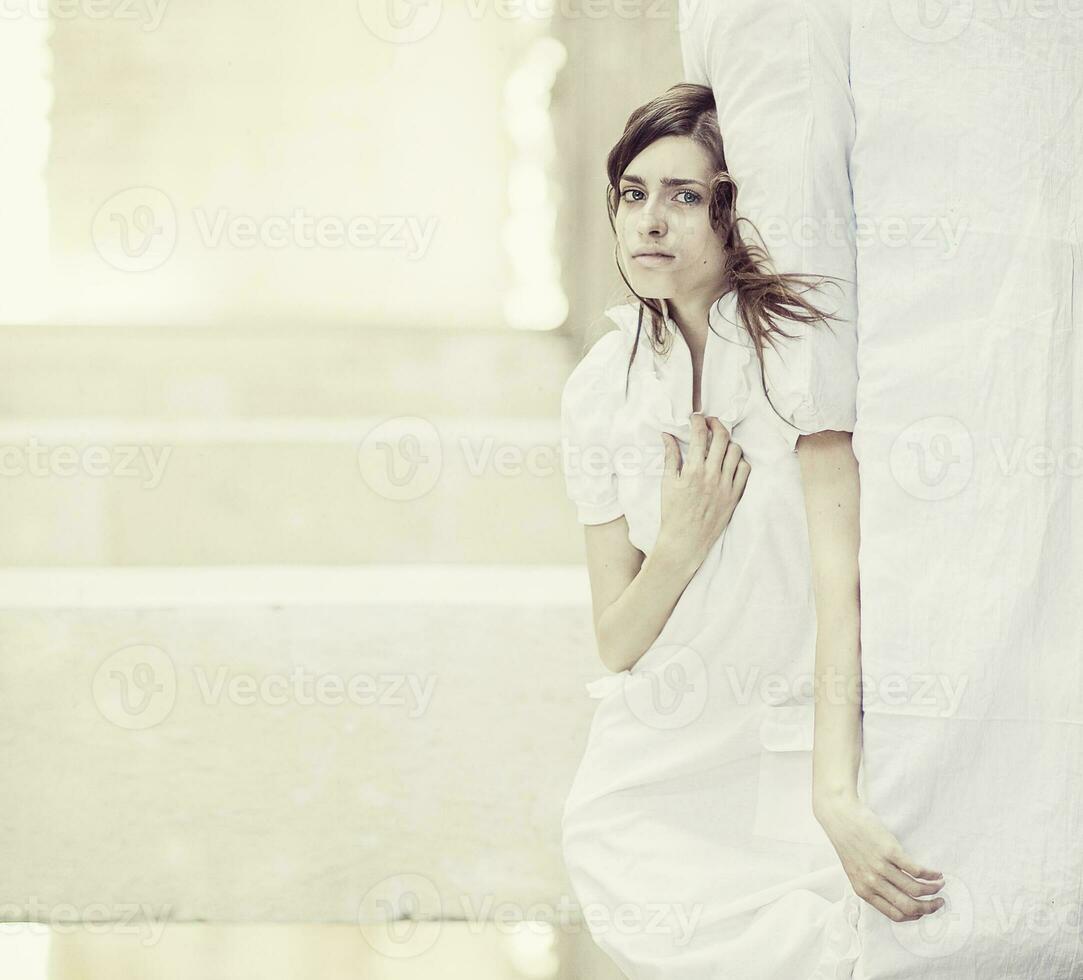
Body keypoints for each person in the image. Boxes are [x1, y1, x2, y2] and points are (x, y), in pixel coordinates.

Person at [559, 83, 946, 979]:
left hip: (787, 758)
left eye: (684, 196)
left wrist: (833, 793)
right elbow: (615, 639)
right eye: (633, 194)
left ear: (732, 213)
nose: (651, 220)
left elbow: (836, 582)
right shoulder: (598, 387)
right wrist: (685, 541)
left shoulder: (795, 351)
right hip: (654, 776)